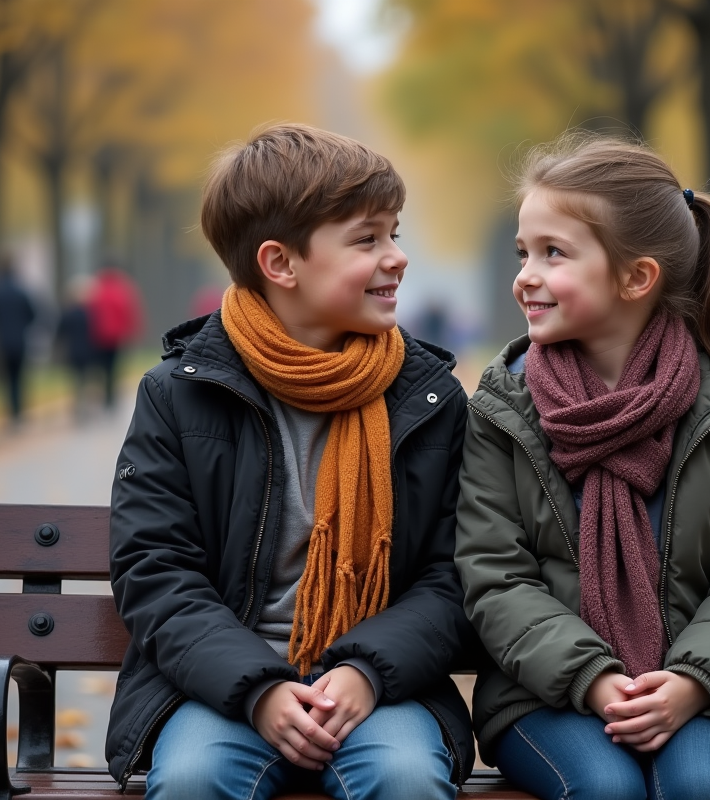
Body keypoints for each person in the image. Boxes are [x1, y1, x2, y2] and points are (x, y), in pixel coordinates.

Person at [105, 124, 476, 800]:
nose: (396, 257)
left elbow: (453, 572)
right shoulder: (179, 394)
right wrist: (260, 690)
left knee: (406, 779)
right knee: (190, 780)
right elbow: (155, 570)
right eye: (367, 239)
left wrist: (367, 672)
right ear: (281, 264)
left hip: (379, 685)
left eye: (395, 233)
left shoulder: (429, 398)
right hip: (228, 689)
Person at [454, 133, 710, 800]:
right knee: (606, 789)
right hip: (543, 694)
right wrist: (591, 677)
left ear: (636, 277)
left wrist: (693, 682)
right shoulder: (503, 409)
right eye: (524, 251)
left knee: (696, 787)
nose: (526, 273)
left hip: (703, 690)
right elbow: (495, 577)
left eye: (554, 253)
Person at [0, 256, 36, 425]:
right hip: (19, 340)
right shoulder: (20, 291)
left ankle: (9, 412)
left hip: (1, 341)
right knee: (18, 377)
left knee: (6, 378)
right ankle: (18, 412)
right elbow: (32, 314)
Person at [86, 263, 142, 409]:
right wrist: (132, 331)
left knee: (101, 366)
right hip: (116, 335)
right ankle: (110, 396)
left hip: (98, 334)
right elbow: (129, 310)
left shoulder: (97, 287)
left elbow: (90, 311)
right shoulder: (122, 287)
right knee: (113, 366)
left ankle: (103, 394)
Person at [55, 276, 96, 420]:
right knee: (87, 378)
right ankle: (87, 406)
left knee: (76, 379)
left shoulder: (68, 313)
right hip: (88, 350)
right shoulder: (89, 313)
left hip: (73, 351)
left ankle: (78, 406)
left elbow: (60, 332)